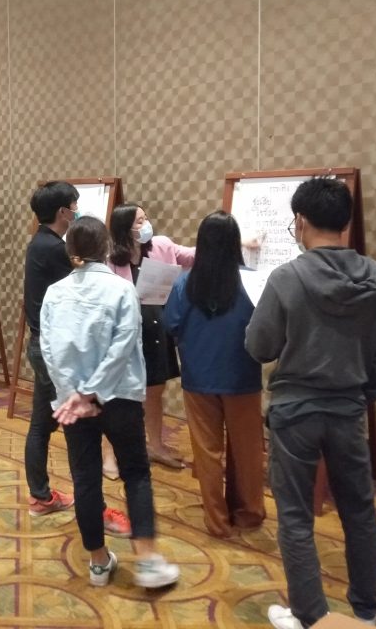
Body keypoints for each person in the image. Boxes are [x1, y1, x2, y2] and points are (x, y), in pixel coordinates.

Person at [246, 177, 376, 629]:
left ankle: (310, 615)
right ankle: (368, 607)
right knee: (359, 510)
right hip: (349, 409)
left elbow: (259, 346)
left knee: (295, 516)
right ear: (345, 222)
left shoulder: (287, 277)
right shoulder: (374, 276)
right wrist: (361, 396)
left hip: (295, 412)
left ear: (300, 221)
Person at [41, 215, 180, 591]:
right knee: (135, 473)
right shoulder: (121, 290)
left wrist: (75, 393)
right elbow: (123, 346)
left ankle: (99, 562)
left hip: (73, 402)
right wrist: (93, 392)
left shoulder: (55, 293)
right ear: (105, 248)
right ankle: (147, 560)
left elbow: (49, 350)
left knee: (85, 478)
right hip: (119, 397)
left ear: (71, 251)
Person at [164, 211, 264, 538]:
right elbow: (264, 329)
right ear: (235, 243)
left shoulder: (184, 283)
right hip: (242, 376)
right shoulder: (251, 281)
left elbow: (171, 324)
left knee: (207, 452)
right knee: (247, 450)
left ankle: (217, 522)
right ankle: (248, 514)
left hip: (198, 377)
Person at [105, 203, 193, 471]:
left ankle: (155, 445)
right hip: (125, 335)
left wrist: (234, 244)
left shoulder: (161, 246)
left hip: (157, 329)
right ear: (124, 229)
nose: (146, 225)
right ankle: (109, 453)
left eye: (146, 219)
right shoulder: (110, 260)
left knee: (155, 390)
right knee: (118, 395)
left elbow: (192, 255)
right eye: (139, 222)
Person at [21, 182, 77, 519]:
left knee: (41, 423)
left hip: (42, 346)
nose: (76, 212)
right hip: (53, 350)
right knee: (72, 424)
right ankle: (83, 502)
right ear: (63, 212)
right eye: (74, 206)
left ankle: (41, 496)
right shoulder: (54, 248)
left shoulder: (39, 242)